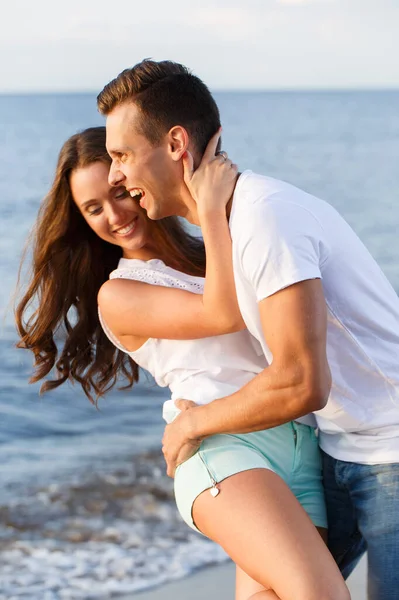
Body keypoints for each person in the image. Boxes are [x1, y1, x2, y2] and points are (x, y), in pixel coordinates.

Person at [98, 58, 399, 599]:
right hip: (337, 449)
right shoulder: (235, 225)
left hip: (389, 450)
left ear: (174, 144)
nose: (115, 174)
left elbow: (301, 381)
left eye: (121, 155)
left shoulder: (264, 217)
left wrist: (193, 424)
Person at [16, 127, 349, 600]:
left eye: (116, 194)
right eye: (93, 209)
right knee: (322, 594)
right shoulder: (120, 292)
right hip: (222, 449)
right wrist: (210, 208)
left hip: (299, 443)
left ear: (135, 179)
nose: (113, 215)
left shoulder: (209, 253)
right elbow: (222, 312)